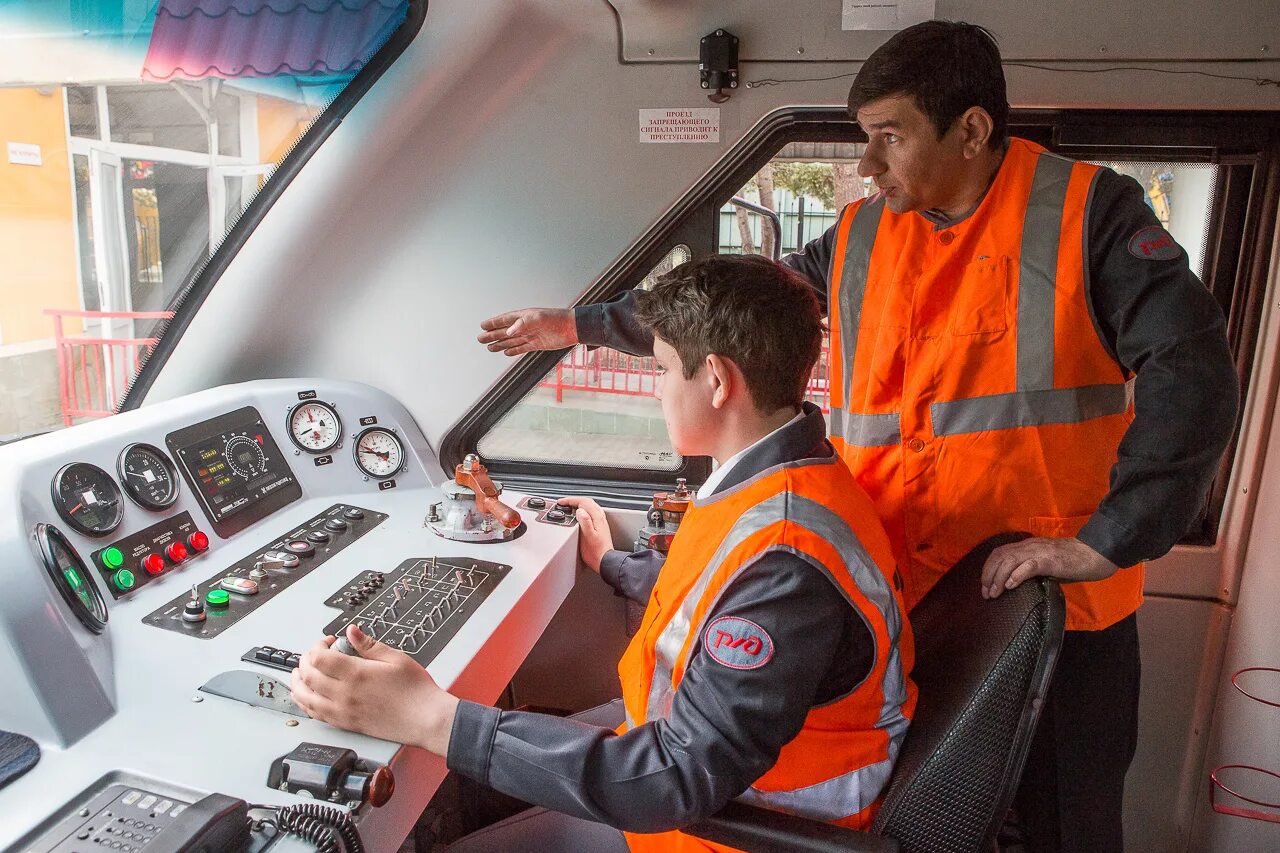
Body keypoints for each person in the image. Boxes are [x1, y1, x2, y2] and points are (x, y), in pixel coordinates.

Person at [476, 21, 1239, 852]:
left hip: (1057, 615)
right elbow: (732, 312)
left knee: (1068, 831)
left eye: (890, 137)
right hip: (908, 600)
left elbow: (1193, 370)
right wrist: (579, 325)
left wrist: (1108, 540)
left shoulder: (1084, 215)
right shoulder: (863, 235)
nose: (868, 164)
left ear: (973, 130)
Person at [293, 255, 917, 851]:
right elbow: (714, 601)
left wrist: (435, 718)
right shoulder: (780, 479)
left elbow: (675, 778)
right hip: (698, 769)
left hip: (733, 828)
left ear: (719, 381)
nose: (656, 390)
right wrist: (612, 563)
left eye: (663, 370)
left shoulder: (786, 554)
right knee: (476, 787)